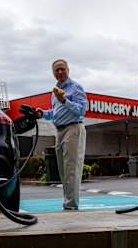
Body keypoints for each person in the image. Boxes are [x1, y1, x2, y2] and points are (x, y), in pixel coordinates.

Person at [35, 59, 87, 211]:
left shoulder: (76, 88)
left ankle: (70, 205)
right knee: (63, 171)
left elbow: (81, 110)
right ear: (53, 74)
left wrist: (64, 100)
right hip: (60, 131)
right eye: (56, 70)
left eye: (62, 69)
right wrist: (42, 113)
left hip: (73, 129)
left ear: (68, 70)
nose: (59, 72)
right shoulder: (55, 91)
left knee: (71, 169)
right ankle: (68, 202)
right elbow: (55, 113)